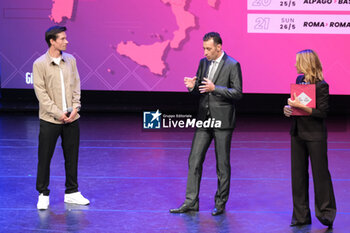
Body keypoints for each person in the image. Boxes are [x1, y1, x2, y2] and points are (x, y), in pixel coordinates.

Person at [170, 32, 243, 216]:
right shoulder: (203, 63)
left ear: (219, 47)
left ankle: (220, 203)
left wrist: (215, 88)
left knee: (222, 164)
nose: (205, 52)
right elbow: (200, 91)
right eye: (204, 48)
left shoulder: (233, 64)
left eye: (208, 49)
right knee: (194, 159)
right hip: (204, 119)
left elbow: (238, 93)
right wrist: (192, 87)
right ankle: (191, 201)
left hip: (222, 121)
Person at [33, 26, 89, 210]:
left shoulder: (71, 60)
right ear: (52, 41)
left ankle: (72, 192)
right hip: (50, 120)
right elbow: (41, 94)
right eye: (63, 38)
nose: (66, 41)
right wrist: (59, 114)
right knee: (45, 157)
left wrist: (75, 108)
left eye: (66, 38)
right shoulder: (39, 64)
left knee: (72, 157)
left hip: (72, 118)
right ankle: (43, 193)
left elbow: (76, 86)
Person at [284, 49, 336, 227]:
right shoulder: (299, 81)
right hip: (297, 133)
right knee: (298, 176)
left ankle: (326, 213)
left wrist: (300, 106)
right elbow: (298, 108)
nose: (294, 64)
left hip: (315, 135)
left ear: (306, 63)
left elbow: (321, 113)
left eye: (297, 61)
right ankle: (301, 216)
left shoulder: (322, 85)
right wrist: (290, 109)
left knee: (320, 175)